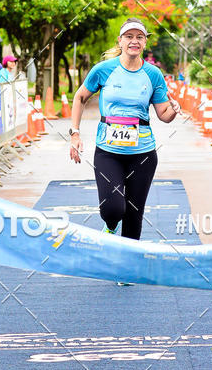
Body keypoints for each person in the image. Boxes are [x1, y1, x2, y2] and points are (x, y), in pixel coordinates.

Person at [69, 18, 180, 283]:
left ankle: (126, 268)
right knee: (113, 208)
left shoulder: (152, 74)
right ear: (120, 41)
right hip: (108, 150)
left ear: (144, 42)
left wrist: (173, 109)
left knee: (134, 211)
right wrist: (75, 134)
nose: (134, 41)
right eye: (128, 36)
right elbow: (80, 97)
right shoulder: (104, 70)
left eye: (139, 37)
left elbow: (163, 114)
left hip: (143, 152)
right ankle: (109, 227)